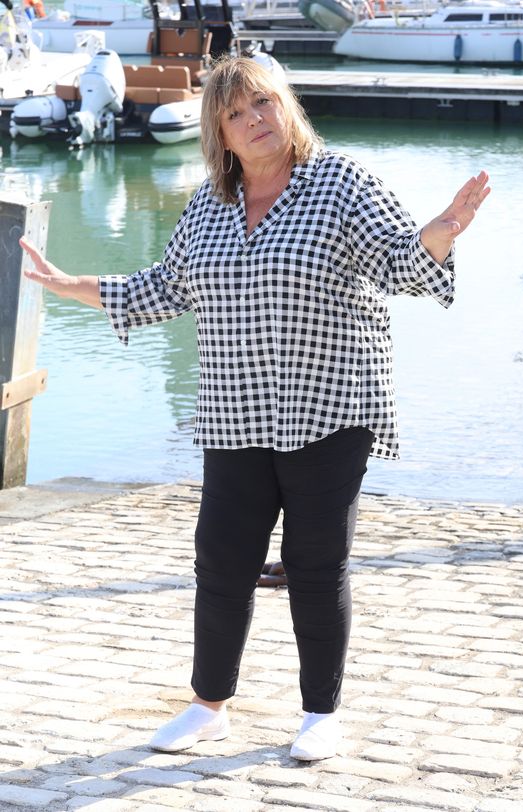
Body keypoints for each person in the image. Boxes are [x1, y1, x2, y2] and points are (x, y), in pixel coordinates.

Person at [20, 56, 490, 762]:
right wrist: (69, 286)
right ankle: (209, 706)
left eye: (265, 103)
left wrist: (443, 230)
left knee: (314, 558)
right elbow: (163, 289)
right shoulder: (208, 205)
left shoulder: (340, 183)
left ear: (287, 108)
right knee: (221, 557)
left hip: (331, 405)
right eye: (237, 113)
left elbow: (399, 263)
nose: (255, 120)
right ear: (221, 134)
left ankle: (319, 713)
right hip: (236, 410)